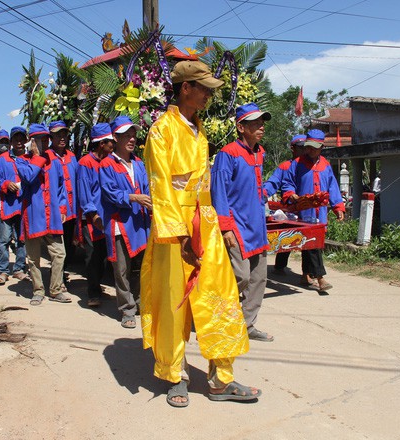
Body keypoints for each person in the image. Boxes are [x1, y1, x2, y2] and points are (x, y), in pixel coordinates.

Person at [141, 60, 260, 407]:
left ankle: (221, 379)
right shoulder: (161, 130)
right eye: (204, 87)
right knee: (174, 301)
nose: (209, 94)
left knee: (220, 297)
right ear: (185, 89)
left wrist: (214, 226)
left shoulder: (199, 129)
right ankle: (174, 374)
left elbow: (203, 185)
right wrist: (180, 238)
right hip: (173, 230)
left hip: (204, 225)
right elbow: (161, 187)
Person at [211, 103, 273, 343]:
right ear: (241, 127)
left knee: (259, 279)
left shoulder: (260, 152)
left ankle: (246, 326)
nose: (261, 127)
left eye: (262, 122)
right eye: (255, 123)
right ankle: (218, 320)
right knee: (240, 277)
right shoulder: (228, 153)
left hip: (256, 225)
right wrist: (225, 226)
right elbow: (220, 192)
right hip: (236, 226)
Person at [100, 116, 151, 329]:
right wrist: (133, 197)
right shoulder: (107, 164)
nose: (131, 139)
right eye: (126, 135)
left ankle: (139, 302)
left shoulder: (139, 163)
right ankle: (126, 309)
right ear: (116, 138)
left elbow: (147, 189)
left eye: (133, 135)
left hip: (140, 222)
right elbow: (110, 193)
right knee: (121, 269)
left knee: (140, 267)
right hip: (120, 224)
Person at [281, 129, 345, 292]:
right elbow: (288, 183)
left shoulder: (326, 165)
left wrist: (338, 207)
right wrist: (291, 194)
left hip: (320, 211)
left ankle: (304, 274)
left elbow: (333, 187)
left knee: (309, 244)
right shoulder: (297, 164)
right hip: (303, 211)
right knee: (311, 243)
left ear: (321, 147)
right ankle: (321, 278)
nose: (310, 150)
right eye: (308, 147)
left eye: (314, 147)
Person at [15, 123, 70, 306]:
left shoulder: (54, 160)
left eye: (46, 139)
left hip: (53, 216)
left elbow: (61, 187)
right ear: (32, 141)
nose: (44, 143)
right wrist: (38, 157)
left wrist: (62, 208)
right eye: (40, 140)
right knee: (33, 257)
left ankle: (55, 289)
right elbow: (29, 177)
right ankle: (38, 290)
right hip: (33, 216)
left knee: (59, 253)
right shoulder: (21, 160)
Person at [77, 123, 114, 308]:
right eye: (110, 143)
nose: (112, 146)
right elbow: (84, 193)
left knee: (104, 254)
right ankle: (92, 292)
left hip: (106, 216)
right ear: (101, 144)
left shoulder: (109, 161)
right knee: (92, 256)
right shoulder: (86, 163)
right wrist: (93, 214)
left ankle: (97, 287)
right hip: (92, 219)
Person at [0, 127, 29, 285]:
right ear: (11, 142)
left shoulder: (29, 158)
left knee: (22, 239)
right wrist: (5, 184)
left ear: (25, 140)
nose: (19, 142)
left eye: (21, 138)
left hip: (24, 205)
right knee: (4, 239)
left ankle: (19, 268)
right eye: (15, 139)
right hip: (7, 205)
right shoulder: (2, 159)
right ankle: (3, 270)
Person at [264, 134, 306, 275]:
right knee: (286, 237)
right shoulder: (285, 167)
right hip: (289, 209)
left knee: (308, 241)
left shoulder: (311, 166)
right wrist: (263, 193)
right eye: (300, 147)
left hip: (307, 209)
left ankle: (308, 273)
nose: (304, 150)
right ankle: (280, 266)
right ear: (293, 148)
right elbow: (273, 182)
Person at [49, 120, 78, 284]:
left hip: (71, 211)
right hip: (56, 212)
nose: (62, 138)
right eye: (58, 135)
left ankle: (62, 272)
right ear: (51, 136)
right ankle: (56, 278)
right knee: (56, 247)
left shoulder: (71, 156)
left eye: (64, 134)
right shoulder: (48, 157)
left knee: (69, 245)